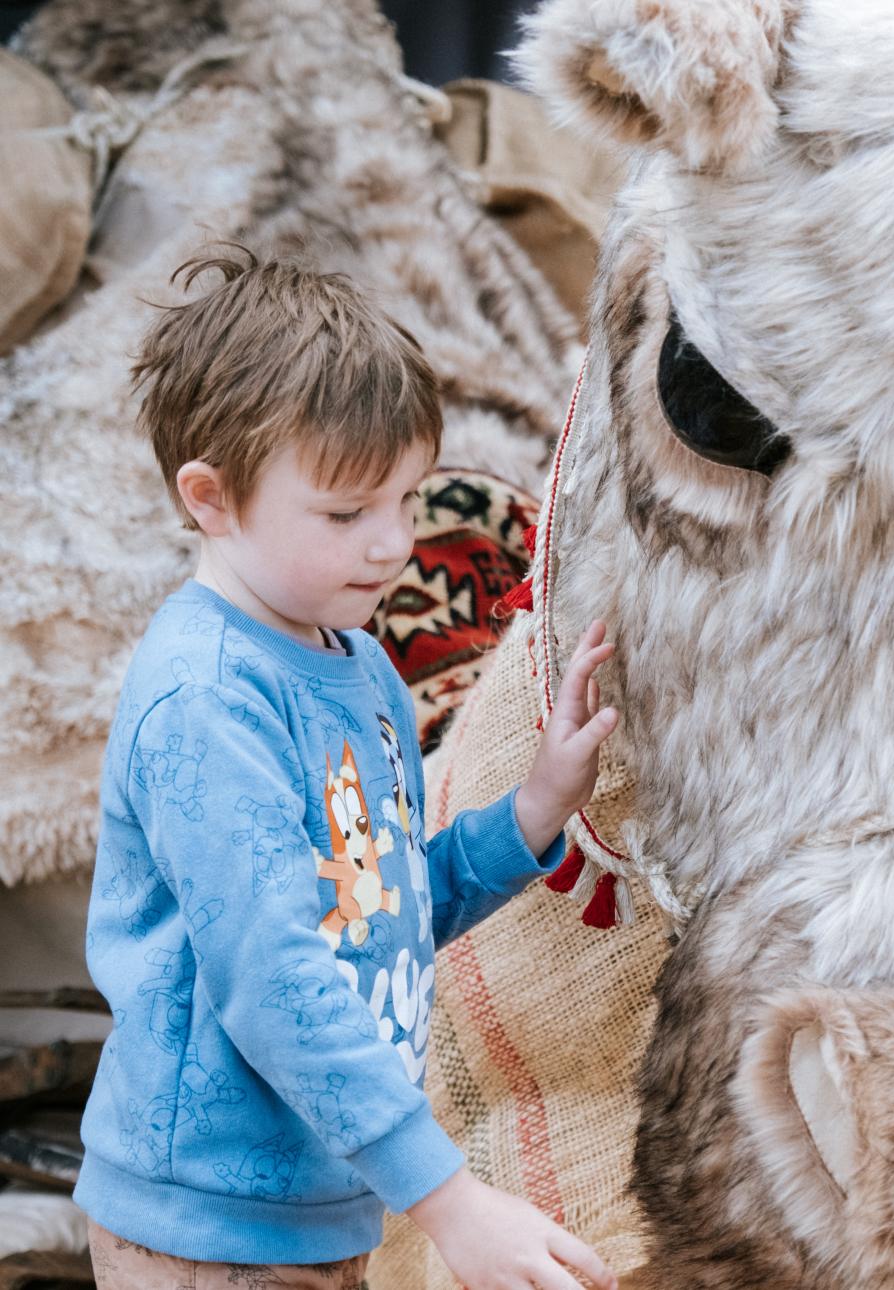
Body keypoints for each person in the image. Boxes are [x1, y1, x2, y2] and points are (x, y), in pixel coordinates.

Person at [75, 246, 620, 1290]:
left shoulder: (357, 662)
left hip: (324, 1205)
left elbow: (381, 909)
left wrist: (536, 810)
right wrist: (448, 1202)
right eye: (345, 514)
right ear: (211, 498)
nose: (392, 546)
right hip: (204, 1225)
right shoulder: (206, 698)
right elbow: (273, 974)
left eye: (405, 501)